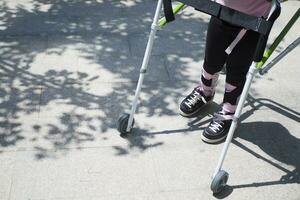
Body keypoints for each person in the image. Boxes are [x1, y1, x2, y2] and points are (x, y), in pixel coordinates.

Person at [179, 0, 272, 144]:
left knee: (237, 71)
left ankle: (228, 111)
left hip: (252, 20)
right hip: (222, 11)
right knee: (211, 60)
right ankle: (205, 91)